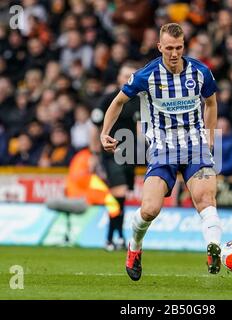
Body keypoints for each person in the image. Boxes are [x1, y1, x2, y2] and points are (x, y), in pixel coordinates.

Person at [100, 23, 222, 281]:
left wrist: (209, 141)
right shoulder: (147, 75)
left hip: (195, 148)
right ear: (159, 47)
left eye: (179, 48)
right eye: (169, 48)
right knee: (149, 210)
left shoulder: (200, 72)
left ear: (184, 46)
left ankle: (214, 248)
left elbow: (211, 103)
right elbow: (118, 101)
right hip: (162, 151)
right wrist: (104, 132)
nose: (174, 53)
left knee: (205, 198)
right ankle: (134, 246)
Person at [90, 62, 140, 251]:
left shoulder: (139, 100)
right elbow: (95, 127)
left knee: (121, 197)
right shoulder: (109, 99)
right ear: (119, 78)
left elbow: (141, 129)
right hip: (112, 153)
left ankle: (114, 238)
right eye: (124, 75)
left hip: (130, 155)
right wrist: (94, 153)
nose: (127, 78)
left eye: (130, 75)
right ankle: (114, 237)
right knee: (117, 195)